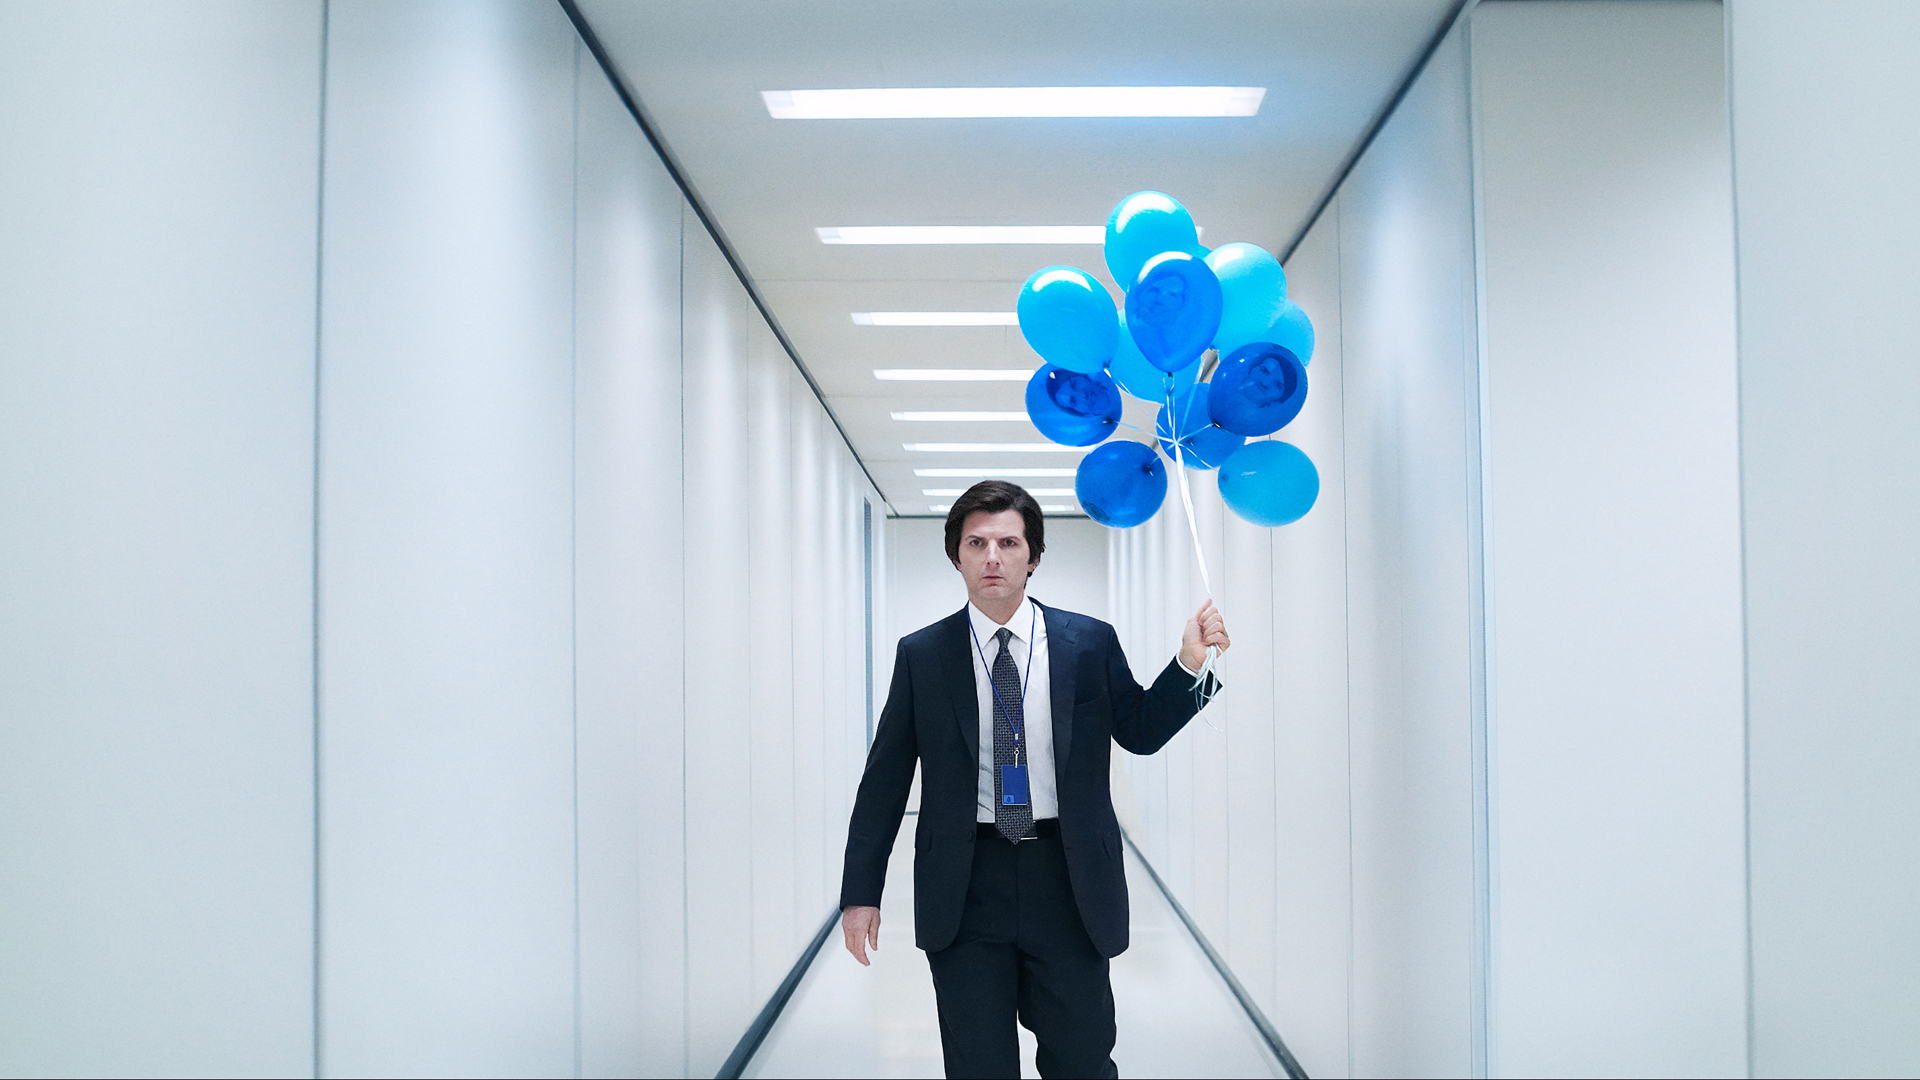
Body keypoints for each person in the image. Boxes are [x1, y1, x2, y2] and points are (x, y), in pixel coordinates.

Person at [838, 481, 1230, 1079]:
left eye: (1008, 543)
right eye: (976, 543)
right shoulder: (923, 654)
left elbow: (1140, 731)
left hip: (1067, 879)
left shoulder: (1088, 643)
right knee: (978, 1065)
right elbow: (884, 781)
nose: (992, 557)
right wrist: (860, 893)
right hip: (966, 884)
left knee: (1081, 1060)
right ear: (956, 556)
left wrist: (1189, 666)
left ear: (1033, 557)